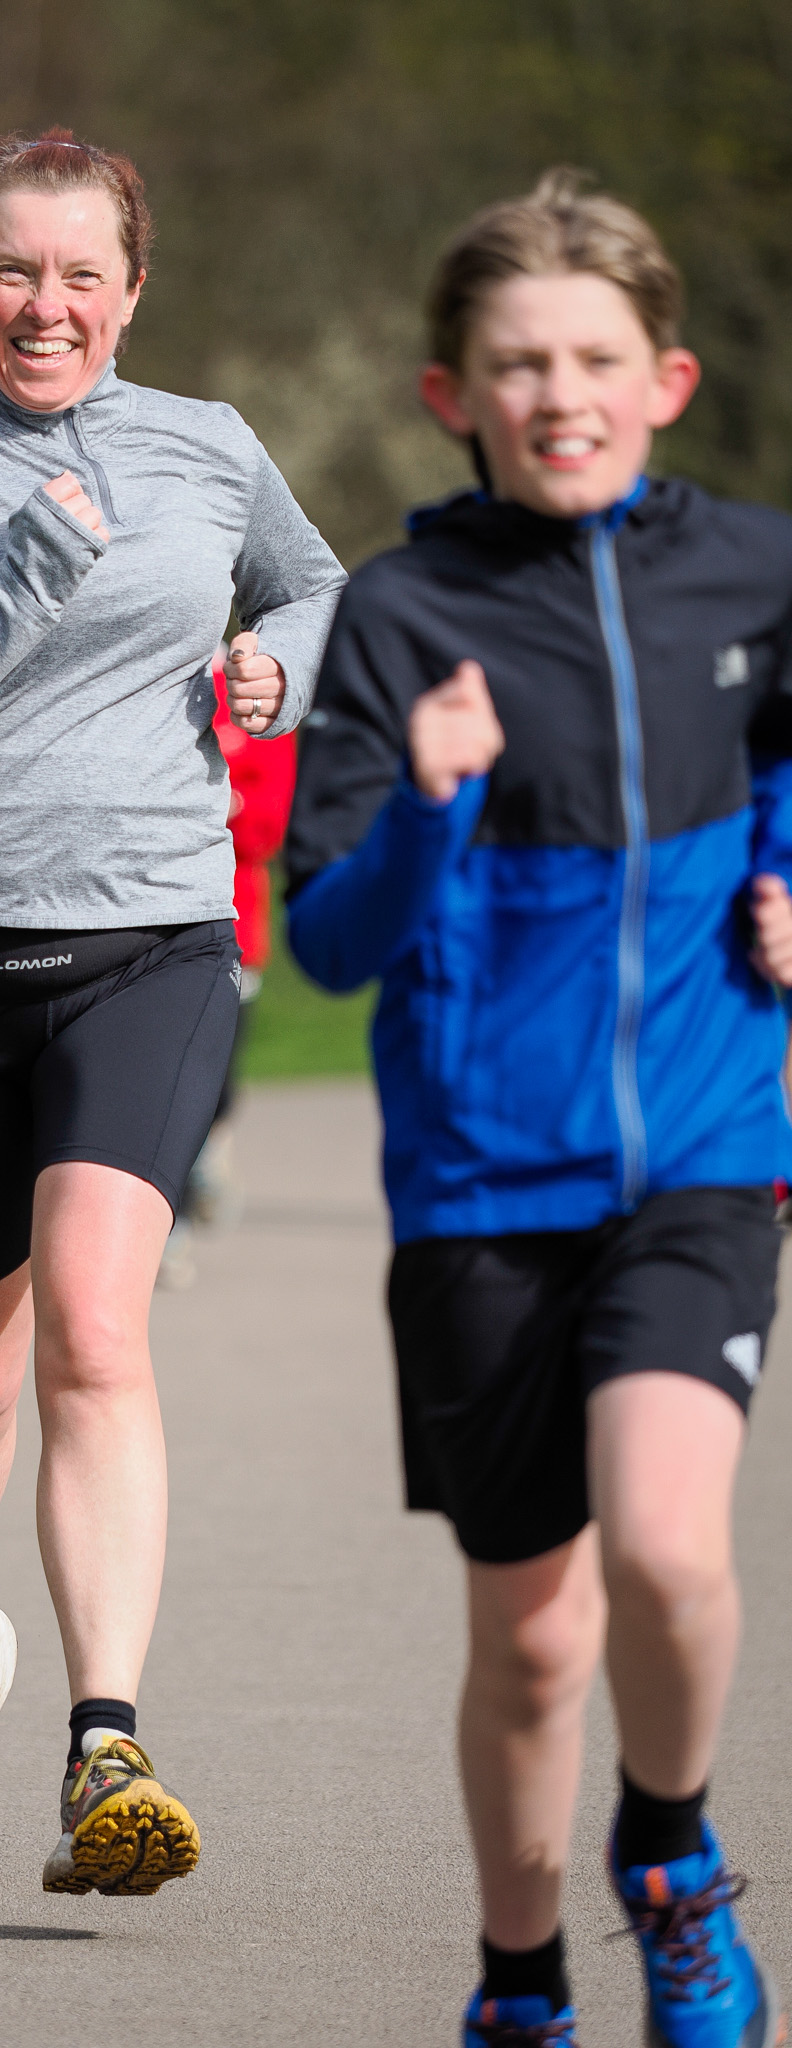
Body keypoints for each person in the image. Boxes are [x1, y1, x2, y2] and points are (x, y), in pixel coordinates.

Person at [0, 128, 344, 1894]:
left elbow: (324, 585)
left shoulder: (210, 447)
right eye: (13, 271)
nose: (48, 305)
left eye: (81, 274)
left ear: (132, 289)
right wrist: (26, 572)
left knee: (97, 1335)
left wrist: (284, 667)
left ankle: (107, 1742)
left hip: (150, 947)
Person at [285, 169, 792, 2046]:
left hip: (706, 1163)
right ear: (451, 395)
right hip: (485, 1190)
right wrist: (425, 803)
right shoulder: (407, 613)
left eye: (591, 358)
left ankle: (666, 1864)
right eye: (515, 365)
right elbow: (327, 943)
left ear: (663, 376)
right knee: (534, 1632)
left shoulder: (755, 572)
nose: (556, 392)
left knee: (669, 1549)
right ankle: (516, 1981)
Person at [160, 646, 297, 1287]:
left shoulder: (250, 692)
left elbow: (268, 826)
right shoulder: (143, 678)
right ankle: (170, 1228)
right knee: (165, 1088)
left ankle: (210, 1154)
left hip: (236, 928)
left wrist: (197, 805)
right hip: (150, 923)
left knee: (217, 1086)